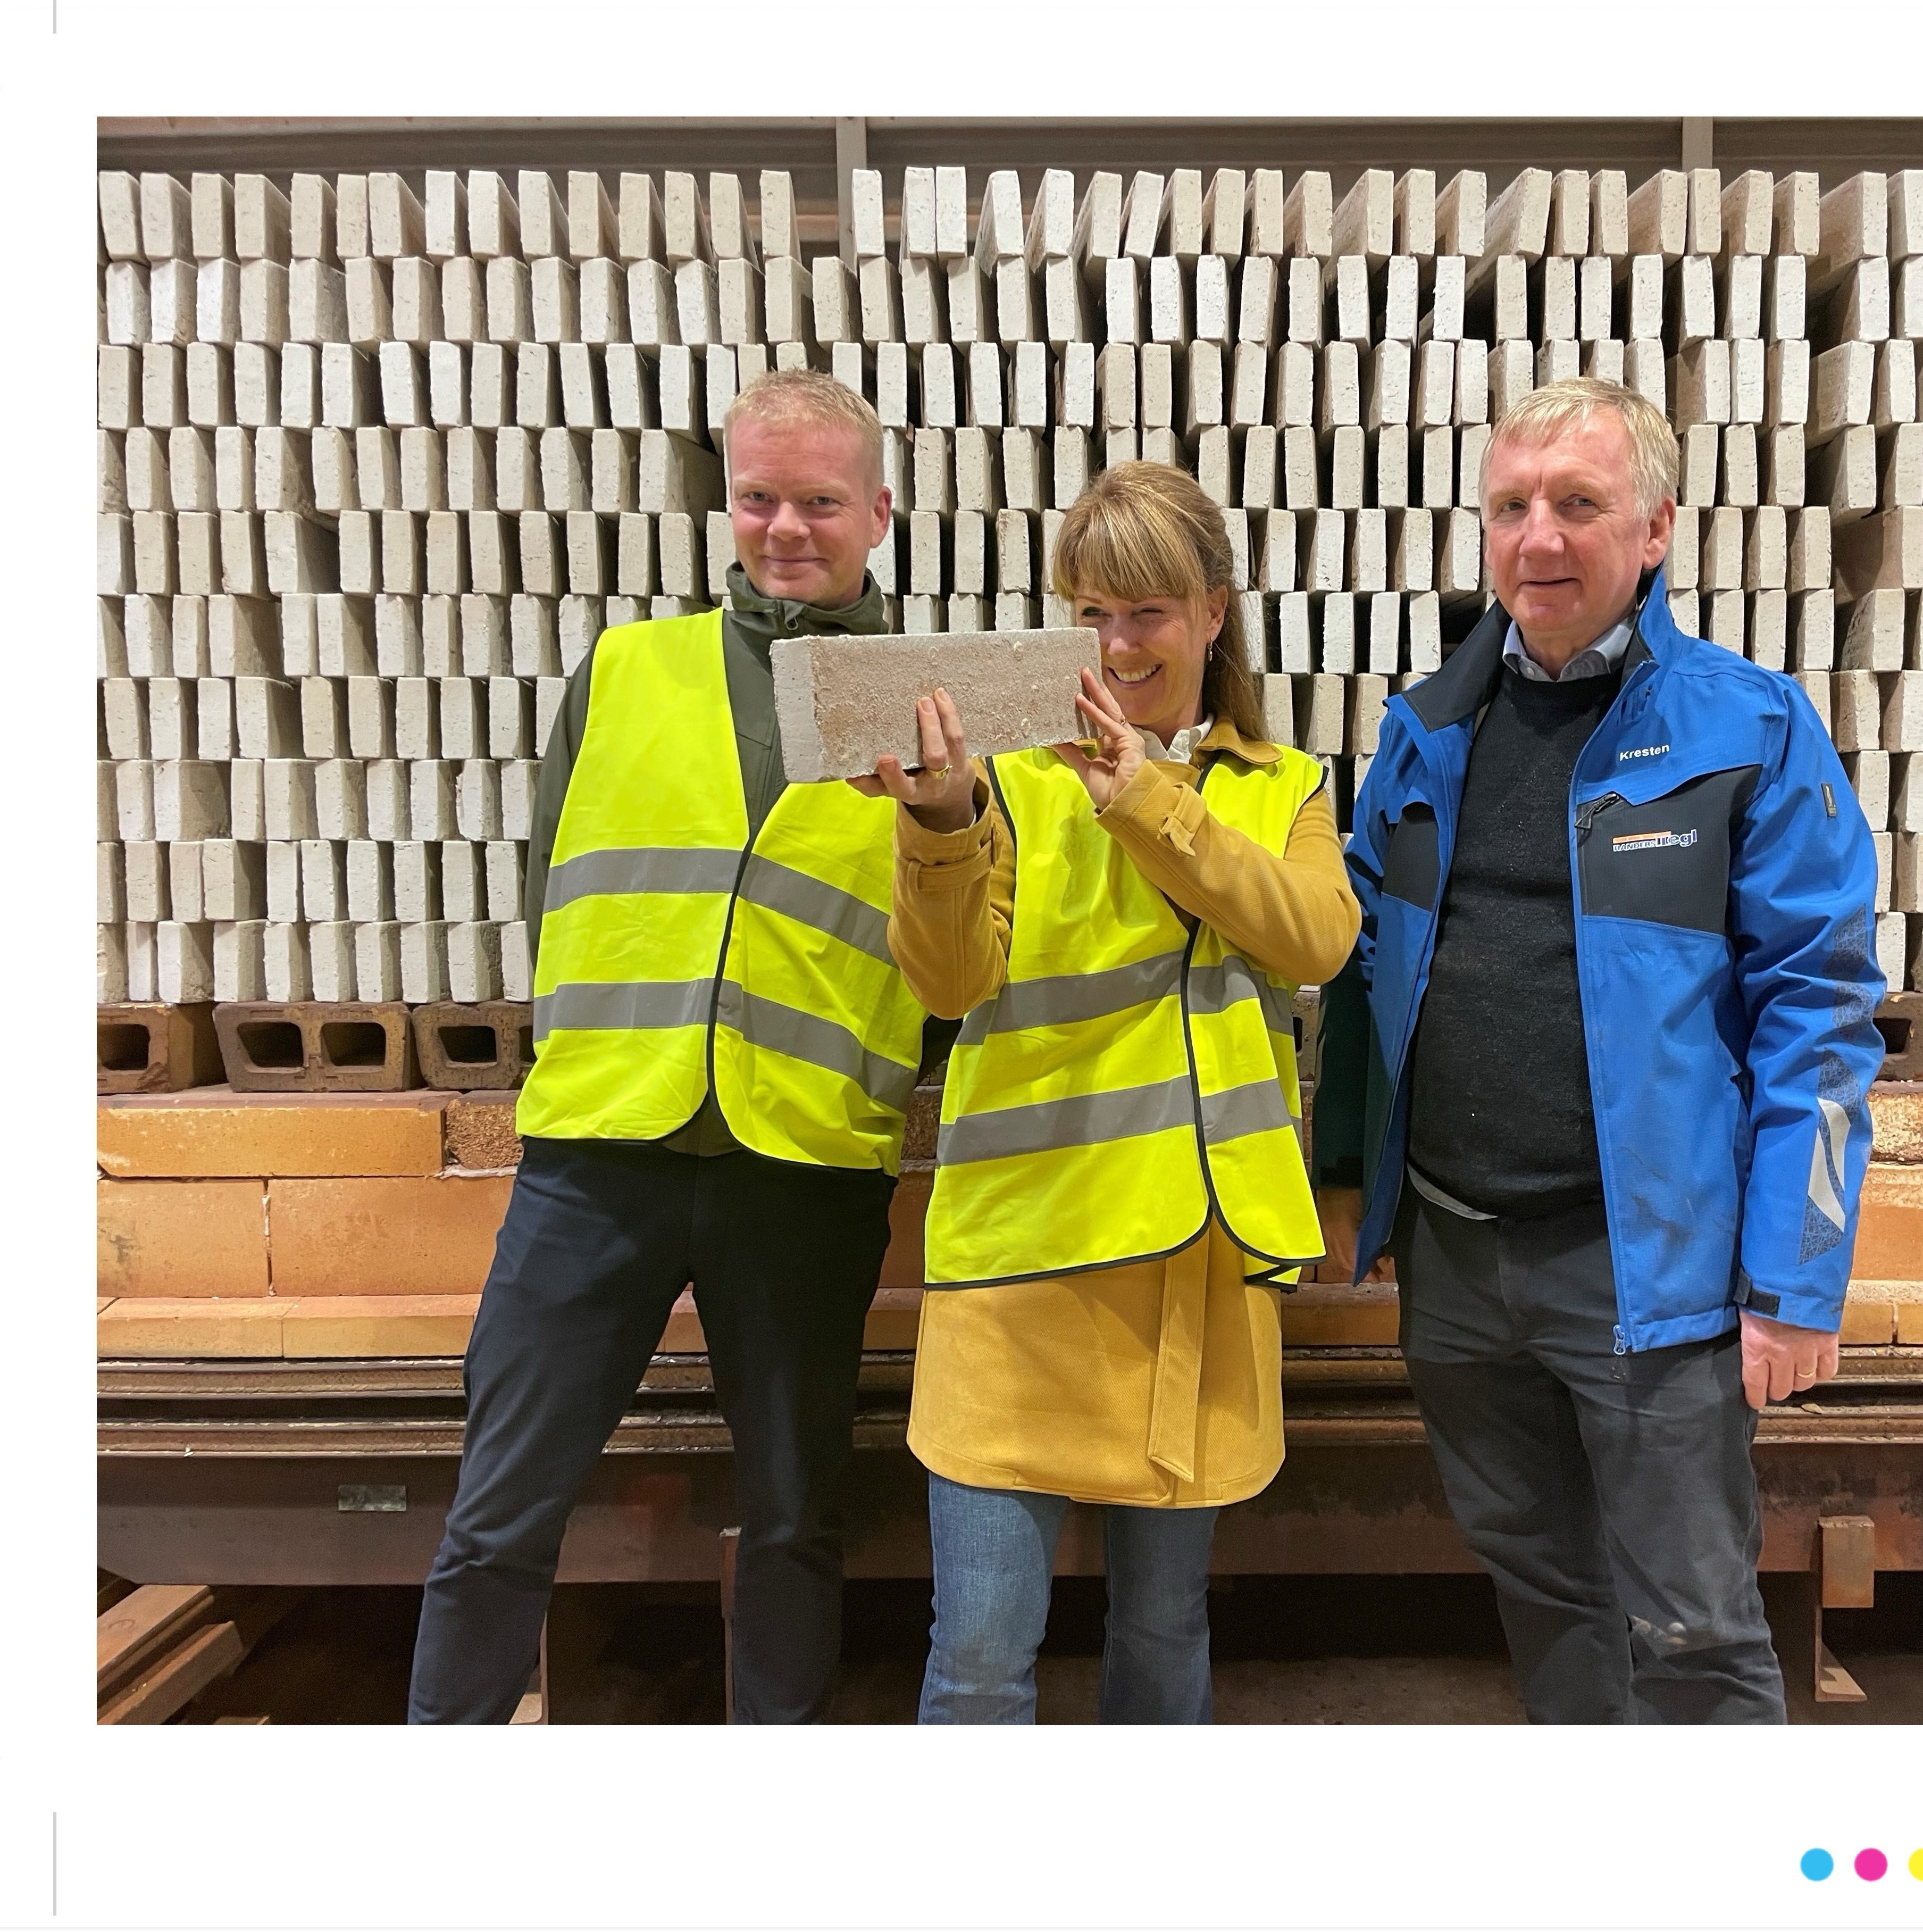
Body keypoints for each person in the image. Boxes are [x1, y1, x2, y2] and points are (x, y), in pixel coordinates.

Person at [1337, 376, 1885, 1724]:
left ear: (1652, 530)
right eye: (1512, 507)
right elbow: (1358, 969)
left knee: (1691, 1625)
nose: (1539, 539)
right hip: (1459, 1265)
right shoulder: (1422, 735)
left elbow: (1817, 1010)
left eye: (1578, 505)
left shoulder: (1742, 728)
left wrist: (1793, 1281)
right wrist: (1357, 1184)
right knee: (1541, 1585)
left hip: (1646, 1269)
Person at [408, 371, 923, 1724]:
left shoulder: (928, 702)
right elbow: (550, 883)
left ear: (880, 507)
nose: (785, 528)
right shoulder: (628, 669)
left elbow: (957, 931)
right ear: (727, 504)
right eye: (757, 497)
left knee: (798, 1511)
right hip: (603, 1149)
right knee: (499, 1504)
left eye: (818, 500)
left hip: (803, 1163)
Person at [866, 460, 1358, 1723]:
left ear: (1211, 611)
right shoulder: (1010, 785)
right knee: (977, 1655)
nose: (1115, 643)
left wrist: (1144, 795)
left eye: (1143, 610)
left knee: (1160, 1631)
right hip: (1021, 1273)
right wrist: (932, 830)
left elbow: (1312, 939)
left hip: (1189, 1277)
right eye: (1086, 610)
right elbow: (945, 978)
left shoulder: (1281, 787)